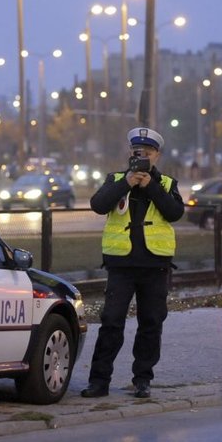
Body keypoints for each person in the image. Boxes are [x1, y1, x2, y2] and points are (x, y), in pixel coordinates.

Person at [81, 126, 186, 399]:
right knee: (111, 322)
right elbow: (98, 204)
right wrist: (126, 183)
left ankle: (142, 379)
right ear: (130, 153)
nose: (143, 158)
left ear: (157, 156)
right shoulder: (116, 179)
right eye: (138, 153)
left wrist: (149, 186)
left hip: (155, 266)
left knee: (151, 323)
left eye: (148, 153)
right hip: (122, 266)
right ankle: (99, 381)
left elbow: (175, 212)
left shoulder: (166, 184)